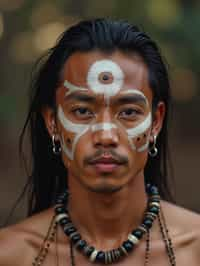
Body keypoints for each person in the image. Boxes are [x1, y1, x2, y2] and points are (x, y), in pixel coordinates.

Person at [0, 18, 200, 266]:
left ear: (155, 122)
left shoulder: (194, 250)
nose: (106, 136)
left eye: (128, 112)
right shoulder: (11, 254)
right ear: (52, 121)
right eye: (82, 111)